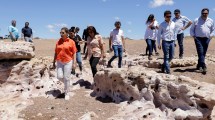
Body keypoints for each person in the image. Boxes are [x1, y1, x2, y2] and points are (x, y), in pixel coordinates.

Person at [52, 27, 77, 100]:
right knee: (59, 77)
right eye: (60, 33)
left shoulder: (71, 41)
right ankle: (68, 83)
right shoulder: (58, 42)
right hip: (59, 61)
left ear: (67, 33)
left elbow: (74, 52)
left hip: (68, 61)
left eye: (63, 33)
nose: (61, 34)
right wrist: (53, 62)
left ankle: (67, 93)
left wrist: (74, 63)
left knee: (66, 77)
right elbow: (56, 52)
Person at [190, 8, 214, 74]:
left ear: (208, 13)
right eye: (203, 13)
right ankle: (203, 66)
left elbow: (213, 29)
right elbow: (191, 29)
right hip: (198, 39)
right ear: (201, 13)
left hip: (207, 39)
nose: (204, 14)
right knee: (200, 52)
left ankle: (199, 65)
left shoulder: (211, 20)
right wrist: (194, 36)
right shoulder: (196, 20)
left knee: (203, 53)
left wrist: (210, 36)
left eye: (206, 13)